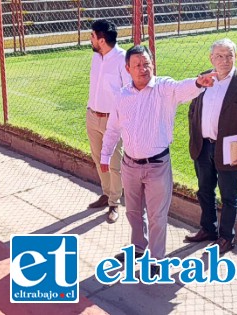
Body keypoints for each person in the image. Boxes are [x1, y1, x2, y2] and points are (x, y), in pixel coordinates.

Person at [101, 45, 216, 277]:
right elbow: (113, 129)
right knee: (133, 212)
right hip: (130, 165)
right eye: (137, 65)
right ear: (128, 68)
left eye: (147, 64)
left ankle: (156, 259)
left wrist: (198, 83)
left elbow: (183, 88)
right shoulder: (122, 96)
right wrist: (105, 155)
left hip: (157, 166)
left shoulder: (164, 88)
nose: (143, 69)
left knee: (157, 216)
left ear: (153, 64)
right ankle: (138, 248)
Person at [184, 38, 237, 255]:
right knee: (204, 191)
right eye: (219, 55)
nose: (224, 60)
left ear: (236, 57)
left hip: (229, 150)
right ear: (211, 58)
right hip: (203, 147)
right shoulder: (204, 79)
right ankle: (208, 229)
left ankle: (227, 238)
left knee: (229, 195)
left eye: (229, 55)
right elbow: (194, 110)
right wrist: (195, 136)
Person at [86, 19, 131, 223]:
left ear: (101, 40)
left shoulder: (123, 59)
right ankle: (106, 194)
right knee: (98, 159)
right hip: (92, 116)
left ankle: (114, 203)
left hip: (113, 121)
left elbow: (129, 92)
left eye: (93, 36)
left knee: (114, 164)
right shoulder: (96, 57)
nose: (90, 39)